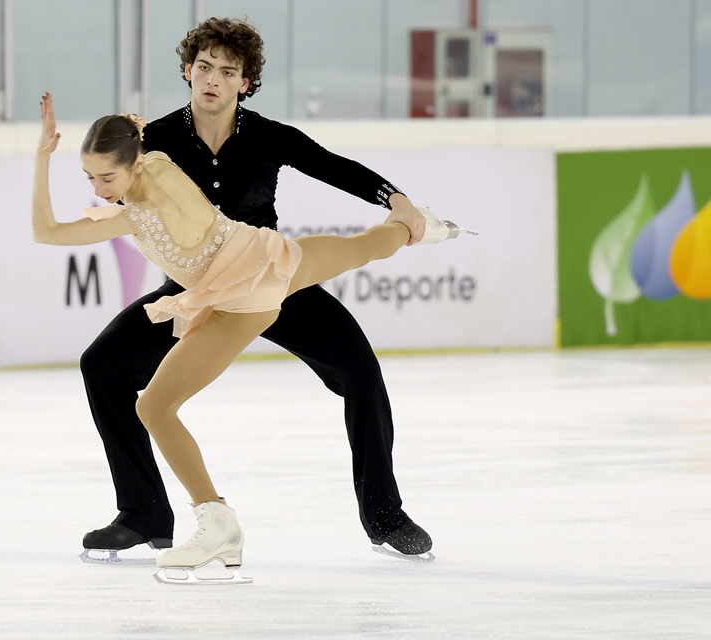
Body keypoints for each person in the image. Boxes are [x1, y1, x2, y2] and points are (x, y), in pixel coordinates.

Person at [34, 92, 462, 582]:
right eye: (89, 178)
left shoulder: (151, 196)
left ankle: (223, 523)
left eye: (106, 178)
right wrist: (73, 151)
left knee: (156, 406)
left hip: (245, 291)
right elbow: (106, 175)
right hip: (265, 256)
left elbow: (50, 230)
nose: (98, 189)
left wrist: (48, 157)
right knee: (365, 245)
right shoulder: (153, 164)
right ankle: (420, 228)